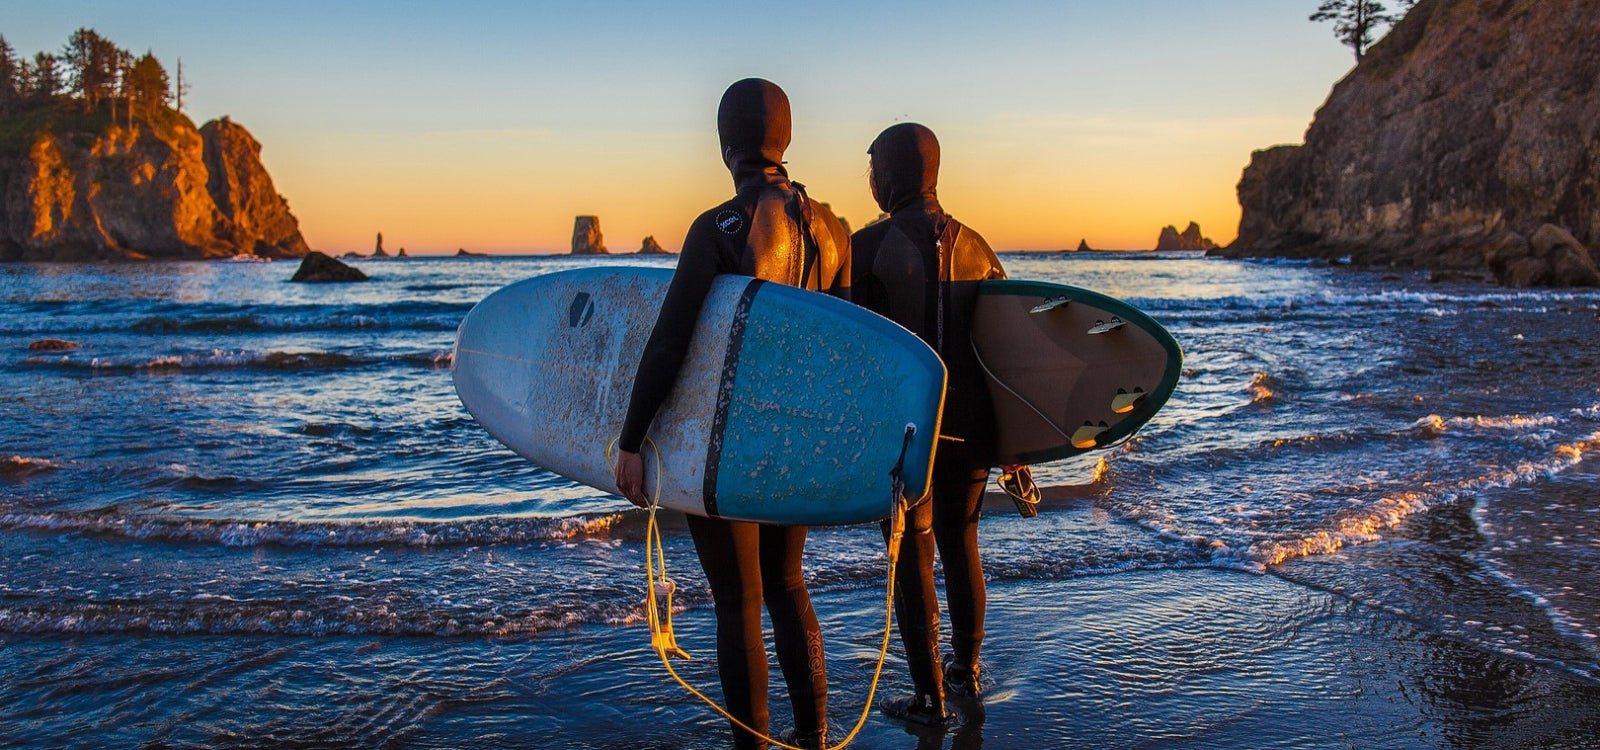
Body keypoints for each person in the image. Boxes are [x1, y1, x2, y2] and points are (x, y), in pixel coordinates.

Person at [613, 78, 850, 750]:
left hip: (730, 441)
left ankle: (753, 744)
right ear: (788, 139)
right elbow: (850, 346)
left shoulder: (722, 226)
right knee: (786, 583)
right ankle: (816, 733)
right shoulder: (832, 230)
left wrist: (632, 439)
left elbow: (669, 342)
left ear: (724, 143)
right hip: (800, 438)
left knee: (737, 600)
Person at [847, 122, 1007, 727]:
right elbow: (1007, 350)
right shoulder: (980, 246)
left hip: (906, 432)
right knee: (962, 545)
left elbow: (851, 354)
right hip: (973, 424)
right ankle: (965, 670)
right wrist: (1014, 441)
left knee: (912, 557)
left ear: (890, 174)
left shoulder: (868, 248)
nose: (870, 182)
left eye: (872, 170)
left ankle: (929, 699)